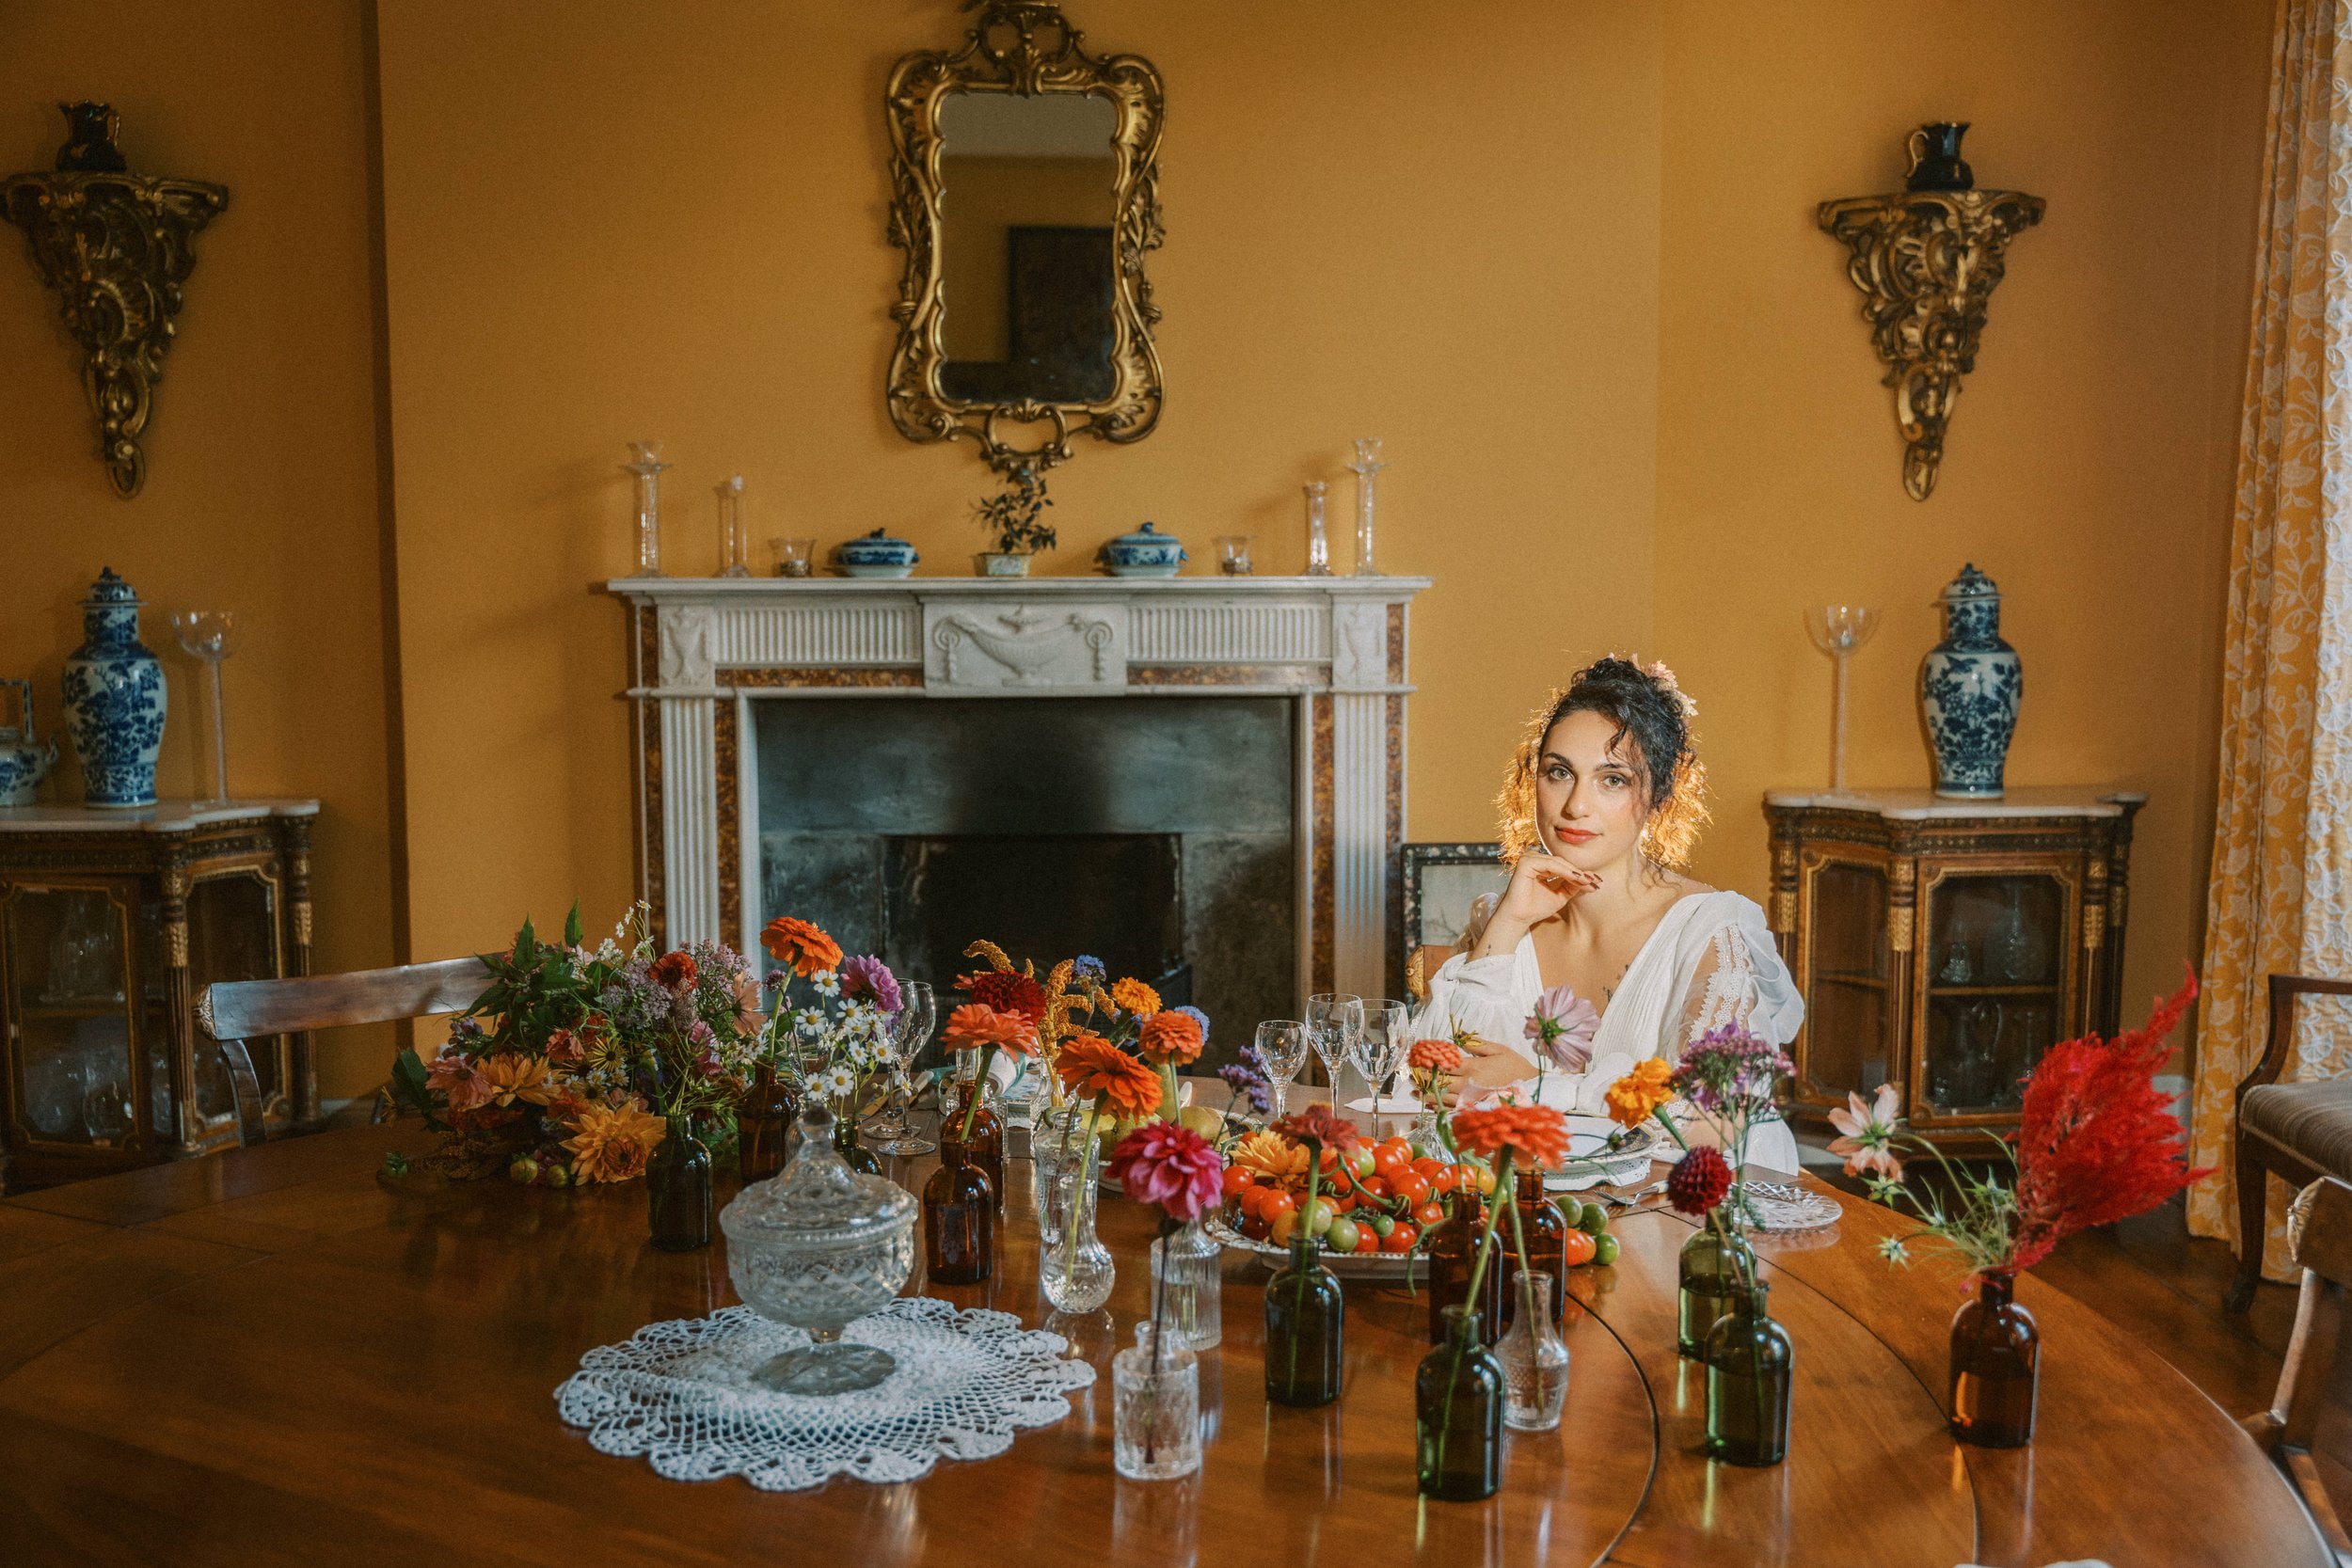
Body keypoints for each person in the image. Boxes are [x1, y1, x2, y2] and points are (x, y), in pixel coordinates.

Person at [1409, 656, 1803, 1174]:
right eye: (1559, 773)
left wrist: (1535, 1085)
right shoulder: (1507, 917)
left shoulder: (1710, 928)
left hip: (1688, 1208)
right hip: (1536, 1203)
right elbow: (1433, 1080)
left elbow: (1711, 1120)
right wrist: (1509, 923)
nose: (1576, 806)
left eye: (1612, 779)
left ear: (1659, 796)